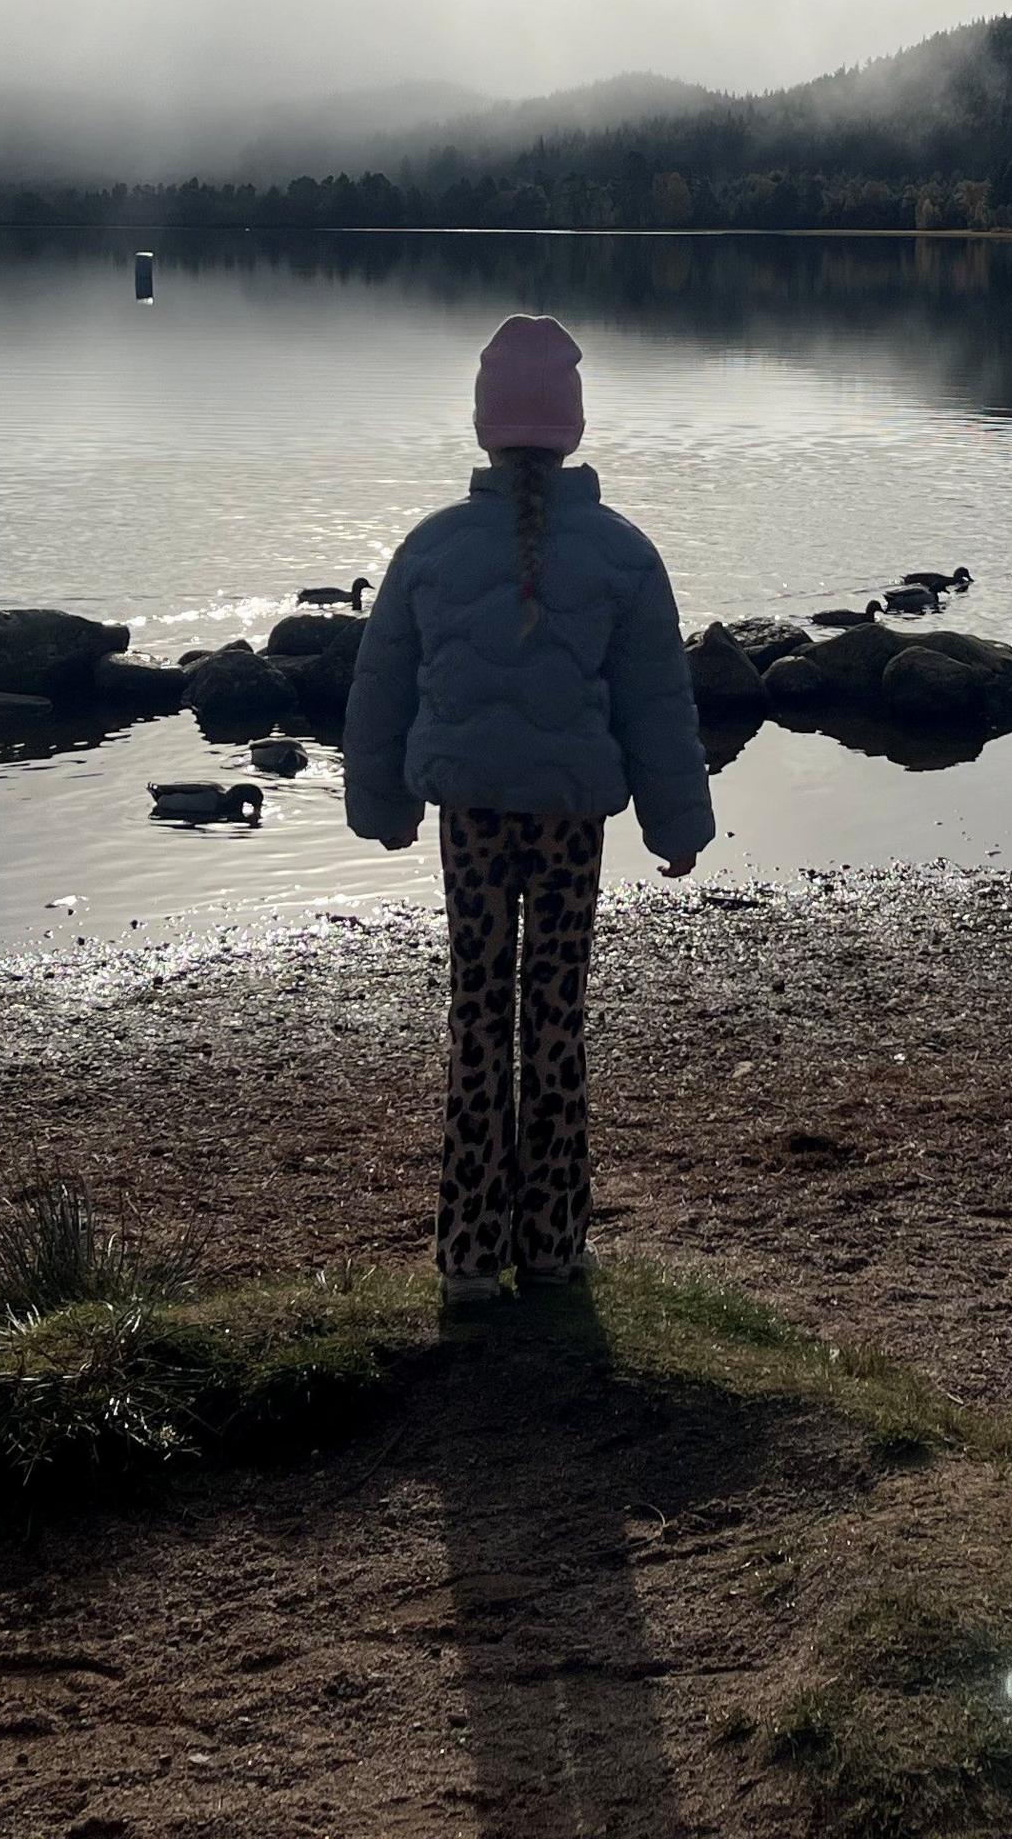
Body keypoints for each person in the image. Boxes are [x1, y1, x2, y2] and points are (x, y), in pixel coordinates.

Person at [342, 313, 713, 1304]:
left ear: (484, 428)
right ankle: (552, 1244)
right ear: (572, 428)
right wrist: (677, 827)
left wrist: (382, 806)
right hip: (566, 822)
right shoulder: (623, 552)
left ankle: (467, 1254)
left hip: (469, 817)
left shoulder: (430, 546)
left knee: (477, 1016)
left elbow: (378, 690)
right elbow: (657, 706)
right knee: (553, 1020)